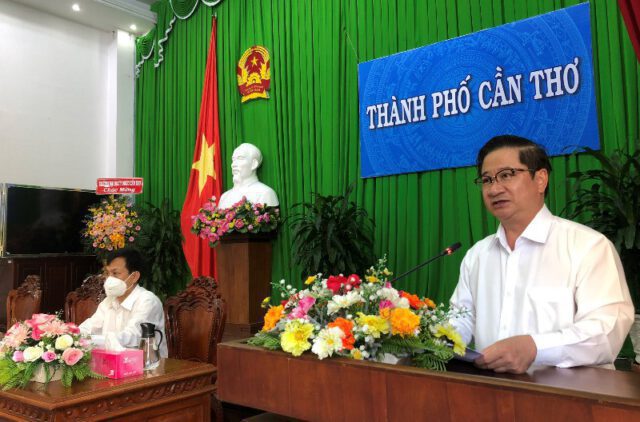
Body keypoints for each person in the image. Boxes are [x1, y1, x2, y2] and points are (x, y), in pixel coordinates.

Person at [450, 135, 633, 373]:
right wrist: (431, 338)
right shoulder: (477, 255)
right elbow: (461, 318)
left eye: (507, 175)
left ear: (540, 179)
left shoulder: (588, 246)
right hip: (492, 390)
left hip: (571, 393)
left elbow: (607, 331)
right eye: (487, 180)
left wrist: (535, 347)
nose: (494, 189)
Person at [79, 248, 168, 357]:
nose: (109, 279)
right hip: (113, 362)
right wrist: (70, 335)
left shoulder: (148, 301)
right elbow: (89, 327)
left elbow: (133, 336)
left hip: (147, 364)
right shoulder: (108, 301)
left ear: (134, 276)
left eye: (115, 273)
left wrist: (94, 340)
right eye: (107, 273)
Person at [218, 143, 279, 209]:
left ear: (254, 164)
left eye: (240, 158)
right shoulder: (224, 197)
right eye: (233, 160)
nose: (233, 165)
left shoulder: (265, 193)